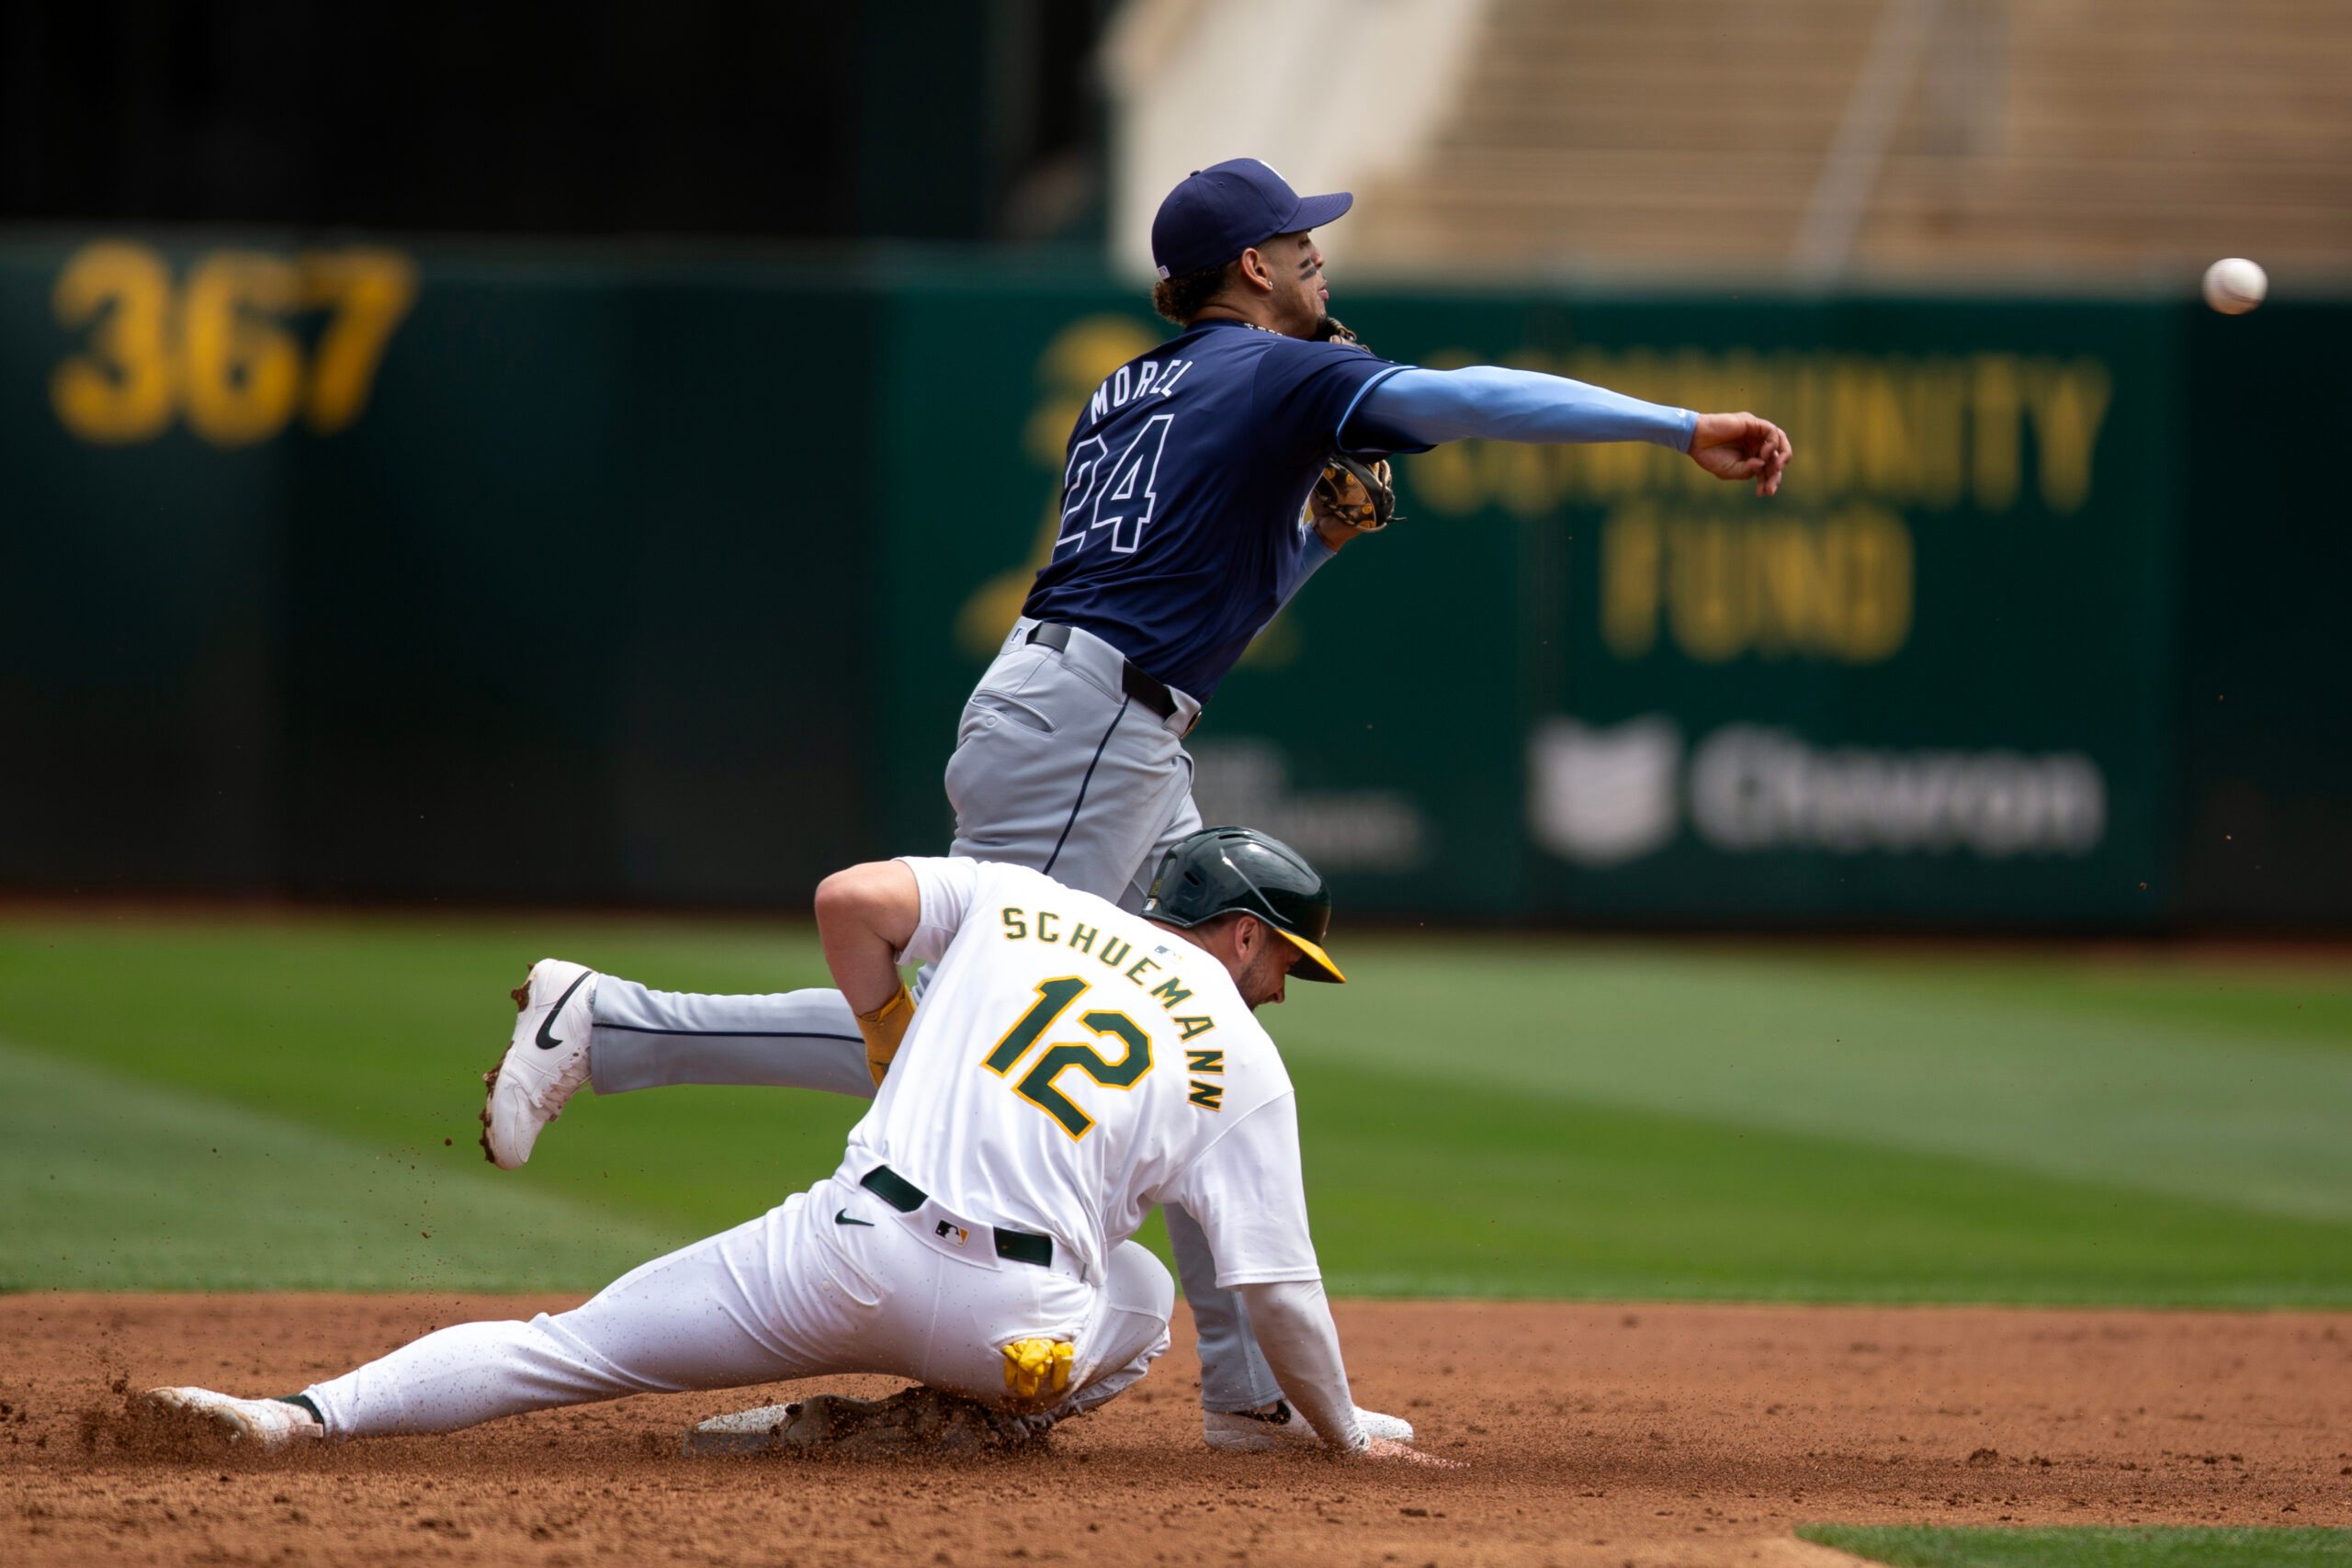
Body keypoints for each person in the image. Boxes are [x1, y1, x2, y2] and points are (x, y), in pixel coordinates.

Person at [479, 156, 1793, 1448]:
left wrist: (1309, 543)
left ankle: (1249, 1397)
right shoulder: (1280, 368)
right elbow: (1471, 401)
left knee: (1191, 1018)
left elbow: (1198, 609)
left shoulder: (1133, 384)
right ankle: (612, 1026)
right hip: (1092, 729)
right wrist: (1677, 429)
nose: (1321, 260)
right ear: (1253, 268)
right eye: (1303, 244)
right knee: (974, 1034)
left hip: (1102, 721)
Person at [144, 829, 1432, 1462]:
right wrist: (1338, 1436)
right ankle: (906, 1431)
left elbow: (849, 903)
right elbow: (1280, 1301)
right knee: (1145, 1289)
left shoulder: (1024, 900)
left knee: (564, 1348)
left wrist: (886, 1028)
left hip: (839, 1249)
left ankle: (286, 1419)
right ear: (1246, 935)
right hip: (1015, 1330)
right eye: (1288, 963)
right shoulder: (1245, 1061)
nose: (1281, 991)